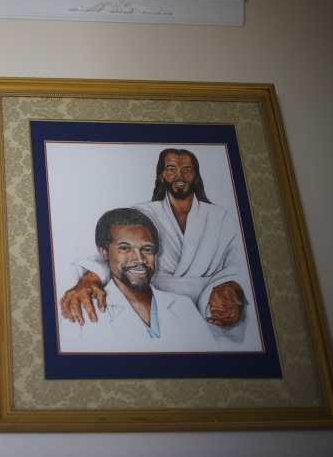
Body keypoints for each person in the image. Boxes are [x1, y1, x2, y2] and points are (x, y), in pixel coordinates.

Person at [60, 148, 255, 345]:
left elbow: (242, 265)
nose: (180, 175)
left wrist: (229, 287)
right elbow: (114, 252)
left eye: (187, 170)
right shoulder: (142, 213)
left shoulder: (222, 219)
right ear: (161, 176)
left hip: (211, 311)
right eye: (171, 169)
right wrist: (89, 278)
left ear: (196, 177)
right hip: (149, 299)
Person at [58, 208, 216, 352]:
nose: (139, 259)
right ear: (103, 252)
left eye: (147, 249)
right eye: (125, 248)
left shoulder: (184, 306)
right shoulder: (80, 311)